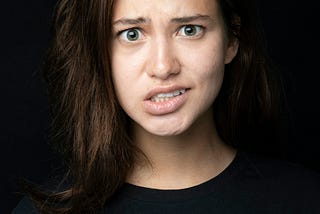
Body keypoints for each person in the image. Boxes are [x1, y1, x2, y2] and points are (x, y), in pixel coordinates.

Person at [13, 0, 320, 213]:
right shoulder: (44, 212)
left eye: (189, 29)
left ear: (232, 39)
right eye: (131, 34)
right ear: (100, 53)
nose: (163, 67)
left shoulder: (305, 200)